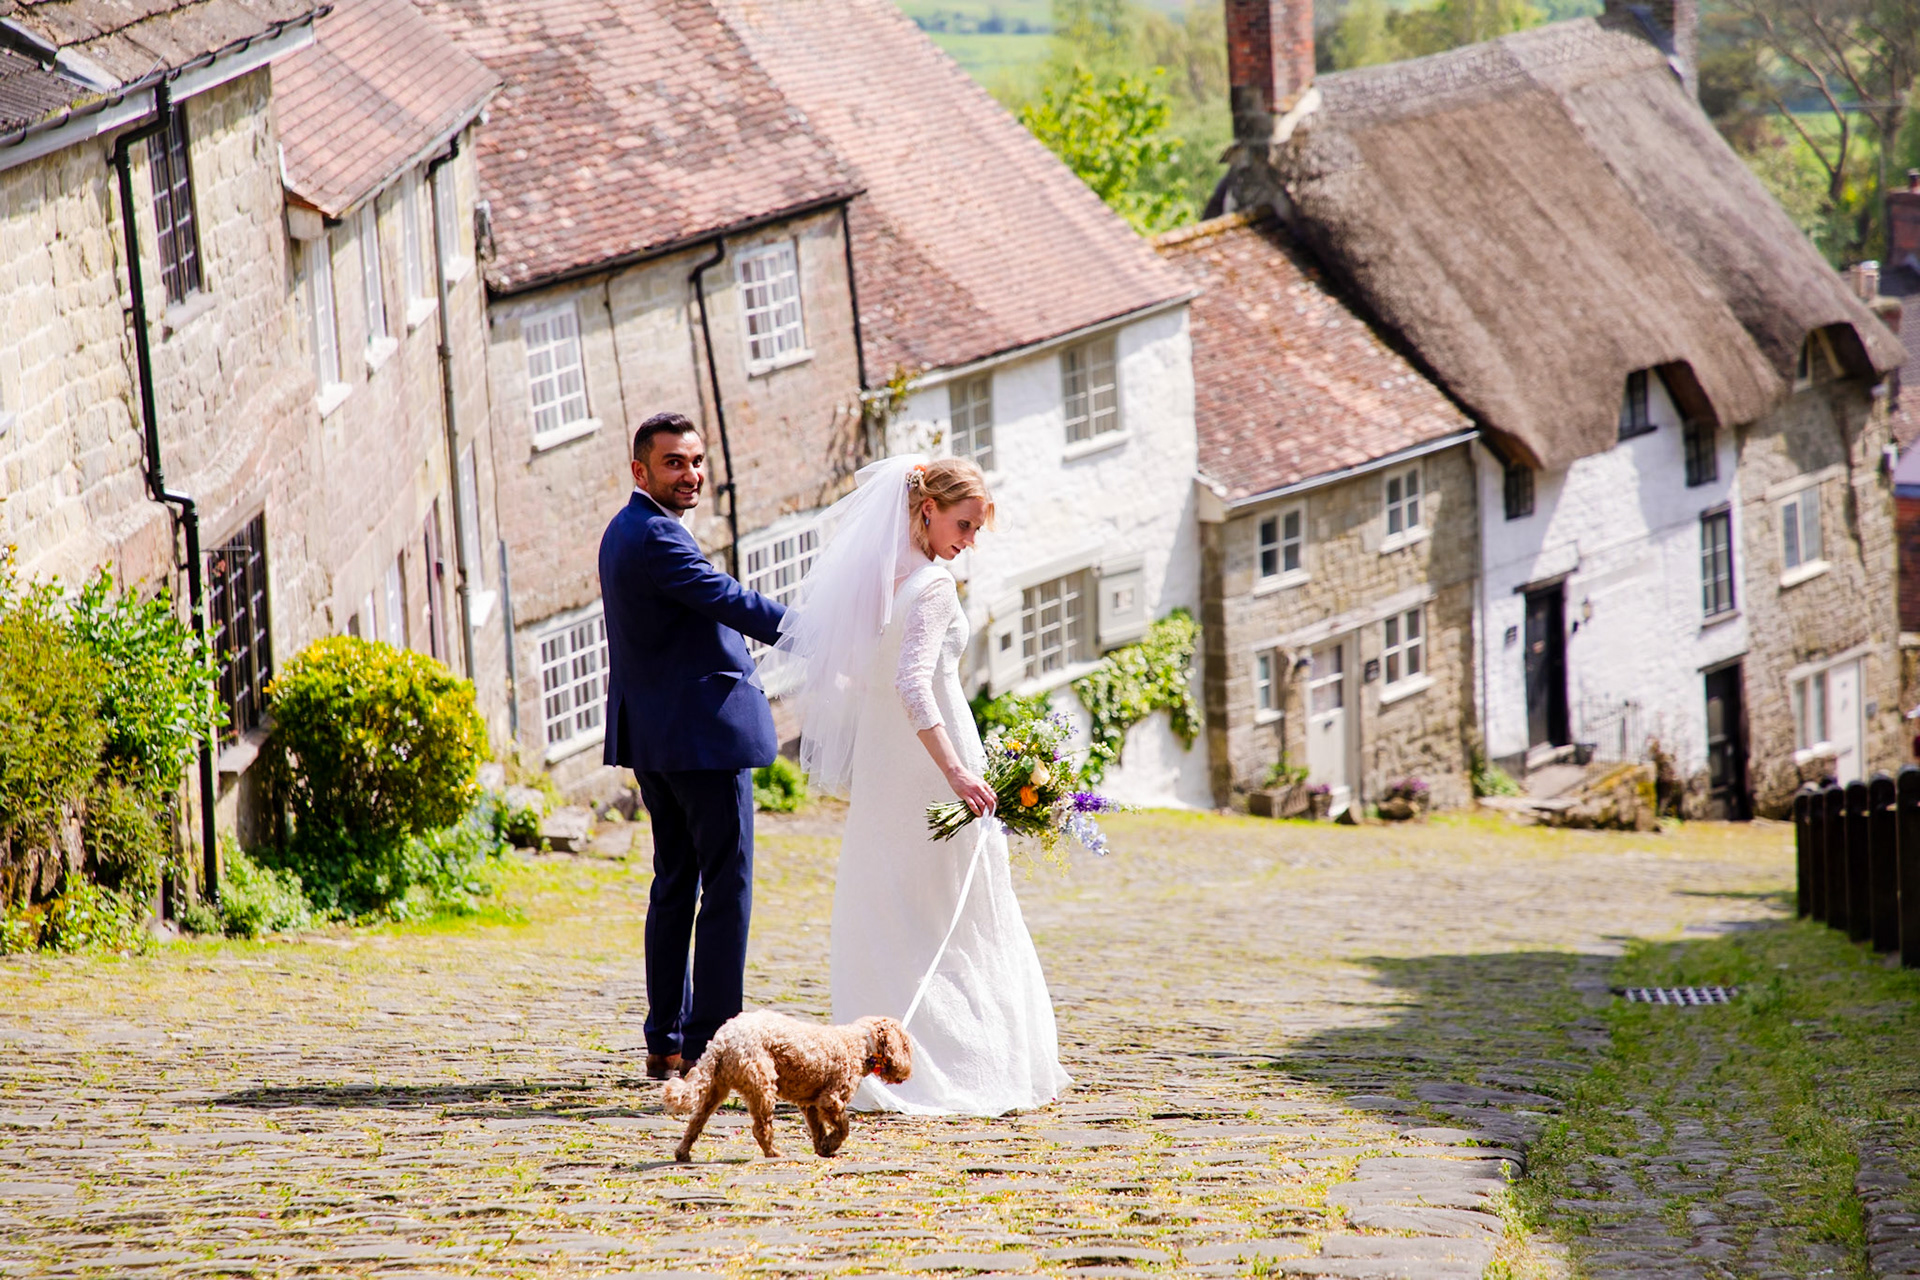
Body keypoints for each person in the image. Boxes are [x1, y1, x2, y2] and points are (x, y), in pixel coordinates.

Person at [761, 455, 1070, 1115]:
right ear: (928, 510)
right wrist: (957, 770)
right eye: (964, 525)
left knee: (895, 903)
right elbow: (912, 683)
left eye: (977, 529)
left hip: (887, 766)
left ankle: (879, 1054)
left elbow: (861, 673)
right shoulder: (931, 585)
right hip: (931, 766)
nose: (970, 541)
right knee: (956, 907)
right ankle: (961, 1060)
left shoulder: (881, 581)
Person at [599, 412, 786, 1081]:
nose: (691, 474)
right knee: (727, 886)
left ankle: (667, 1040)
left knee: (675, 883)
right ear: (640, 470)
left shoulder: (625, 529)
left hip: (659, 740)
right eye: (674, 462)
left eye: (697, 461)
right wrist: (811, 630)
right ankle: (713, 1044)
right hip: (703, 742)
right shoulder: (656, 536)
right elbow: (727, 599)